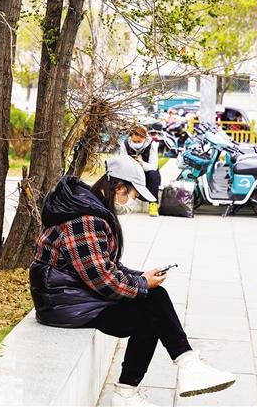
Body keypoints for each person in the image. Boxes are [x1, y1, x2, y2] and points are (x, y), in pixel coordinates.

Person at [29, 163, 236, 406]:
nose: (131, 201)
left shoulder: (89, 209)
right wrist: (142, 284)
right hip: (64, 303)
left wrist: (142, 277)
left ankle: (155, 379)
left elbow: (105, 265)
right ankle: (174, 371)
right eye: (132, 195)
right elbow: (101, 279)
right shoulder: (85, 219)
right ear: (118, 187)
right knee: (153, 304)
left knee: (153, 302)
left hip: (73, 297)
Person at [122, 124, 161, 216]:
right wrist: (131, 163)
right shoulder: (125, 144)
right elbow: (122, 161)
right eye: (134, 141)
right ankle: (119, 203)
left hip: (147, 174)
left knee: (153, 175)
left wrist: (142, 163)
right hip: (131, 172)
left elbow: (154, 166)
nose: (136, 143)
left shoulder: (151, 145)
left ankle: (153, 204)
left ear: (145, 138)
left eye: (139, 141)